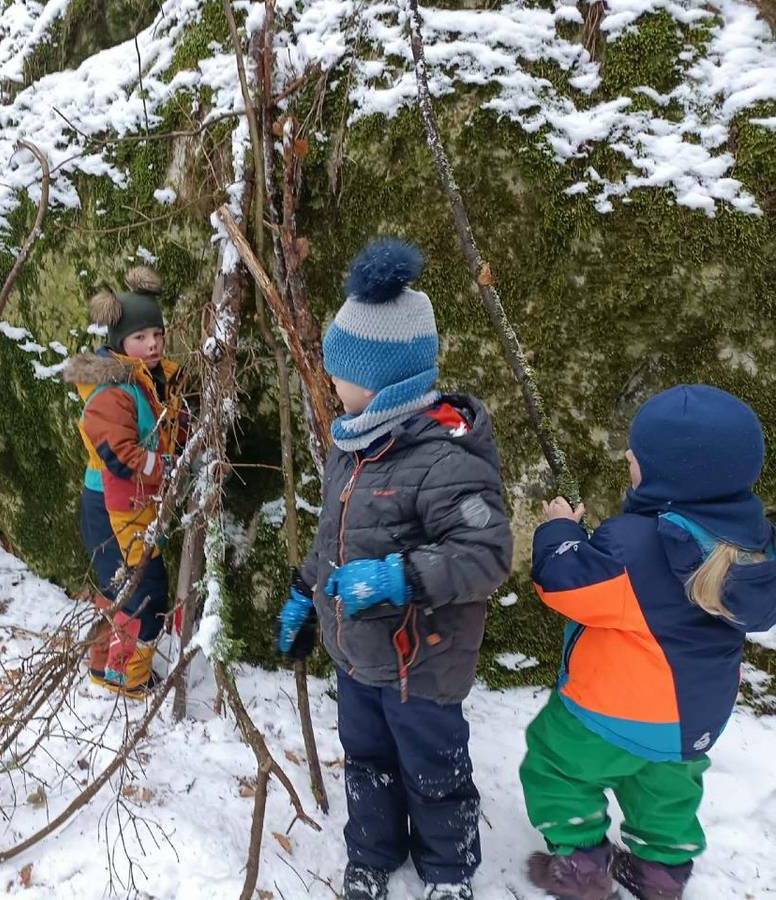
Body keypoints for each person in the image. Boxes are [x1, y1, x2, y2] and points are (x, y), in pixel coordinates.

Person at [277, 239, 513, 900]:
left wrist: (399, 577)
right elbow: (337, 537)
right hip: (357, 657)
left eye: (340, 373)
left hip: (422, 664)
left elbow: (486, 554)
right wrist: (304, 590)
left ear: (380, 377)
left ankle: (447, 869)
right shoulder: (354, 444)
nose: (331, 384)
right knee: (367, 761)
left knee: (433, 768)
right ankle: (372, 852)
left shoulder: (445, 456)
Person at [522, 384, 776, 900]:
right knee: (665, 793)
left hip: (608, 712)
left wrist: (559, 531)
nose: (629, 467)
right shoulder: (756, 545)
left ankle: (581, 868)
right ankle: (660, 876)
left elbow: (564, 584)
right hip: (694, 721)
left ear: (669, 474)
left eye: (636, 461)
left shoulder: (636, 545)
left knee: (555, 766)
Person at [64, 267, 185, 699]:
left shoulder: (150, 377)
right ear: (119, 343)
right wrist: (173, 466)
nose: (151, 343)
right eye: (140, 337)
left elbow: (168, 422)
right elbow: (122, 457)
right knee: (139, 591)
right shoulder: (113, 392)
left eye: (157, 333)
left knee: (127, 587)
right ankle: (125, 677)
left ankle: (107, 663)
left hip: (133, 504)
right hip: (112, 506)